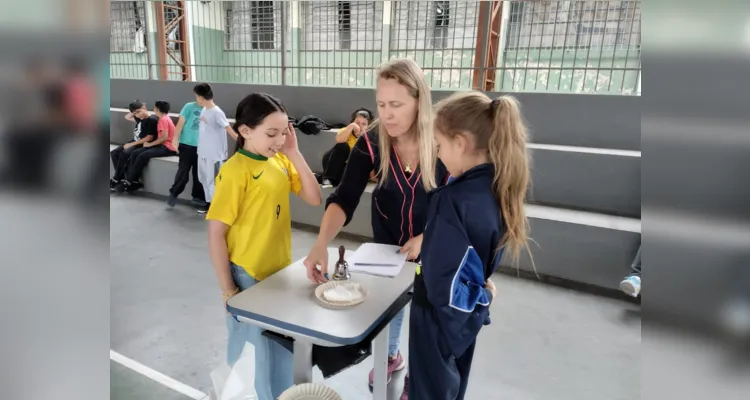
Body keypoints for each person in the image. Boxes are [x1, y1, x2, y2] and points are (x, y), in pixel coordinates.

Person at [303, 58, 449, 397]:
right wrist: (321, 242)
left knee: (429, 316)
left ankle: (421, 372)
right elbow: (344, 197)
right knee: (391, 307)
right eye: (381, 104)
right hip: (389, 247)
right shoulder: (371, 141)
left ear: (419, 100)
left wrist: (429, 237)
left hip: (437, 245)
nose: (387, 114)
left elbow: (459, 203)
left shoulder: (443, 140)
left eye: (396, 104)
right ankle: (391, 355)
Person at [407, 93, 531, 400]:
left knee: (430, 391)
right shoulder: (500, 190)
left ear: (460, 143)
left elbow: (440, 287)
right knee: (454, 386)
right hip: (465, 319)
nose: (438, 155)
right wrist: (482, 297)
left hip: (437, 321)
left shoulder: (451, 200)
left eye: (439, 146)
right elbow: (477, 260)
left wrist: (482, 298)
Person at [207, 93, 321, 400]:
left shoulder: (280, 160)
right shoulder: (235, 171)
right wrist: (228, 290)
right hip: (248, 276)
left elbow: (314, 197)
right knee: (255, 358)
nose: (280, 140)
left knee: (280, 352)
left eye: (284, 132)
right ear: (245, 131)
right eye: (272, 133)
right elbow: (216, 233)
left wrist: (295, 153)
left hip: (279, 272)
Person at [195, 83, 238, 214]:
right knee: (203, 178)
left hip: (214, 154)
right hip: (203, 151)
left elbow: (229, 129)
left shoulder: (217, 112)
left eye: (197, 97)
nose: (196, 99)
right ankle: (209, 203)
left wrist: (243, 144)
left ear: (202, 98)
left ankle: (216, 206)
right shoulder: (204, 110)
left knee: (212, 180)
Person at [116, 101, 178, 193]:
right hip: (163, 146)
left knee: (142, 155)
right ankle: (134, 181)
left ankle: (129, 181)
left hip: (168, 148)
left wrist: (149, 144)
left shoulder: (163, 120)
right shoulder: (163, 118)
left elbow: (164, 138)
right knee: (135, 153)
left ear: (156, 109)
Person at [166, 99, 206, 208]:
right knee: (183, 172)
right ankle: (174, 193)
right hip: (186, 145)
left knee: (199, 173)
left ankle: (198, 197)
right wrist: (175, 139)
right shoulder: (189, 106)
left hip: (202, 147)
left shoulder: (211, 109)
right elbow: (180, 124)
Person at [318, 107, 373, 187]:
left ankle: (320, 178)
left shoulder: (370, 140)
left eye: (364, 124)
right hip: (332, 161)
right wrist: (351, 127)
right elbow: (339, 140)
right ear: (351, 122)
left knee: (347, 180)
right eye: (357, 123)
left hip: (346, 167)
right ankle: (327, 178)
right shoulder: (346, 130)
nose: (360, 126)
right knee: (343, 146)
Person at [110, 100, 157, 191]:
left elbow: (149, 138)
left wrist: (131, 144)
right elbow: (127, 116)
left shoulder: (152, 120)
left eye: (139, 112)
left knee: (124, 154)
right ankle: (121, 177)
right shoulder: (139, 118)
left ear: (144, 108)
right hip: (134, 141)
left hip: (140, 144)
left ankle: (116, 178)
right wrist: (135, 112)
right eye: (135, 113)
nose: (137, 115)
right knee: (114, 153)